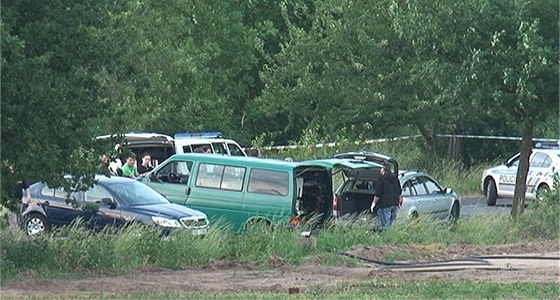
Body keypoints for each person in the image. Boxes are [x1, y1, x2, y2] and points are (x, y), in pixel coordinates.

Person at [370, 164, 402, 231]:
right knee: (392, 224)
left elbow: (378, 193)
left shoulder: (381, 179)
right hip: (395, 204)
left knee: (385, 225)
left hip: (385, 205)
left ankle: (386, 239)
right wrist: (399, 201)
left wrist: (373, 203)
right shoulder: (395, 178)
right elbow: (399, 191)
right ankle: (391, 238)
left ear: (383, 170)